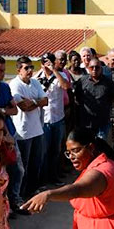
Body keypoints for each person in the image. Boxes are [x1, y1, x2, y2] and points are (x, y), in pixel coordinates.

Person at [0, 56, 27, 217]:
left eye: (4, 70)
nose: (3, 74)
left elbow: (14, 110)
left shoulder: (4, 87)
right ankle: (5, 207)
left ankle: (15, 199)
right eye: (0, 71)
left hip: (10, 133)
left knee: (18, 169)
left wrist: (1, 111)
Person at [10, 56, 48, 197]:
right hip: (23, 132)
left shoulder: (35, 83)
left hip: (37, 130)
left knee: (35, 164)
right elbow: (24, 107)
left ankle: (32, 192)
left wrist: (33, 101)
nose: (30, 70)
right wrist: (36, 101)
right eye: (26, 68)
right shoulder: (15, 85)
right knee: (22, 167)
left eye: (31, 67)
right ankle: (20, 195)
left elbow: (45, 101)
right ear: (19, 70)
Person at [35, 51, 71, 186]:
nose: (46, 65)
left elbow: (66, 86)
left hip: (58, 118)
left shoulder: (60, 75)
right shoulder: (37, 77)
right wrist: (42, 70)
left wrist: (54, 70)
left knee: (56, 150)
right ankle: (44, 179)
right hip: (43, 120)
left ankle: (54, 176)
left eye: (49, 62)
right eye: (44, 62)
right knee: (44, 151)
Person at [74, 58, 114, 139]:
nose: (94, 69)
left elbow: (113, 99)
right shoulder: (82, 81)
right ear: (88, 68)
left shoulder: (109, 83)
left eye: (97, 67)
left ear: (101, 68)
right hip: (86, 122)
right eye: (91, 67)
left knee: (100, 147)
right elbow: (77, 98)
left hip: (102, 122)